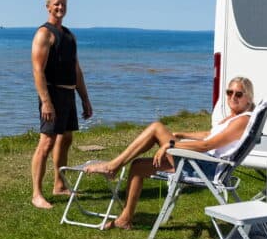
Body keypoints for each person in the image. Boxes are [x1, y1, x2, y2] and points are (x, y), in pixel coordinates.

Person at [84, 77, 255, 229]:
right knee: (137, 167)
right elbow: (209, 135)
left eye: (238, 94)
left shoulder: (242, 120)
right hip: (198, 161)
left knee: (156, 127)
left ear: (248, 98)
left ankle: (112, 166)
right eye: (229, 92)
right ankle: (125, 219)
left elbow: (207, 145)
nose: (233, 97)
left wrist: (170, 145)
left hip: (204, 167)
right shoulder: (233, 117)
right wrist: (182, 134)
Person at [30, 0, 93, 209]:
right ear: (48, 6)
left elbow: (76, 70)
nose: (60, 7)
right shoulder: (44, 34)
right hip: (52, 93)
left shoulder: (69, 35)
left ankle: (59, 185)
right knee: (46, 142)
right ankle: (36, 194)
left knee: (65, 139)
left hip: (68, 93)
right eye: (56, 4)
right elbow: (38, 70)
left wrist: (85, 99)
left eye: (63, 4)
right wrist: (46, 102)